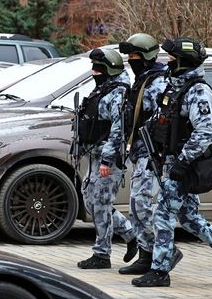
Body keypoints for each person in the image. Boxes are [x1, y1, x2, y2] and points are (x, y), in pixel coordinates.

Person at [132, 37, 212, 287]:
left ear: (184, 62)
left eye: (173, 60)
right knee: (188, 217)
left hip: (186, 166)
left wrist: (182, 163)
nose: (168, 63)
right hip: (171, 161)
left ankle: (160, 270)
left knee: (161, 213)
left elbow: (204, 133)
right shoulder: (174, 87)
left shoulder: (198, 91)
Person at [117, 34, 182, 275]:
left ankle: (163, 251)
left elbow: (161, 119)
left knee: (141, 204)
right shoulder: (142, 79)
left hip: (152, 154)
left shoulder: (157, 81)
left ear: (145, 56)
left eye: (133, 56)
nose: (130, 60)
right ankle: (147, 254)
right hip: (139, 151)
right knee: (136, 206)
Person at [75, 48, 137, 269]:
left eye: (99, 69)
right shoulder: (103, 89)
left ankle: (102, 254)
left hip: (107, 159)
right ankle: (131, 236)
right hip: (94, 155)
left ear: (109, 70)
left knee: (101, 203)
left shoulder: (118, 93)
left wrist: (107, 161)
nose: (94, 73)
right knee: (90, 200)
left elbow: (118, 132)